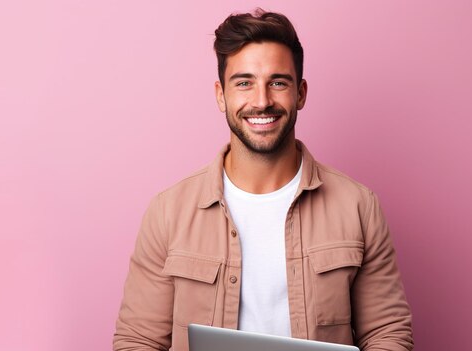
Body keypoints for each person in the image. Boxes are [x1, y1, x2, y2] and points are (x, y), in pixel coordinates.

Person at [113, 8, 413, 351]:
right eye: (244, 83)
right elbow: (138, 341)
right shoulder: (168, 212)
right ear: (220, 95)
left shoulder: (358, 206)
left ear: (300, 93)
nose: (261, 101)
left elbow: (387, 333)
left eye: (278, 82)